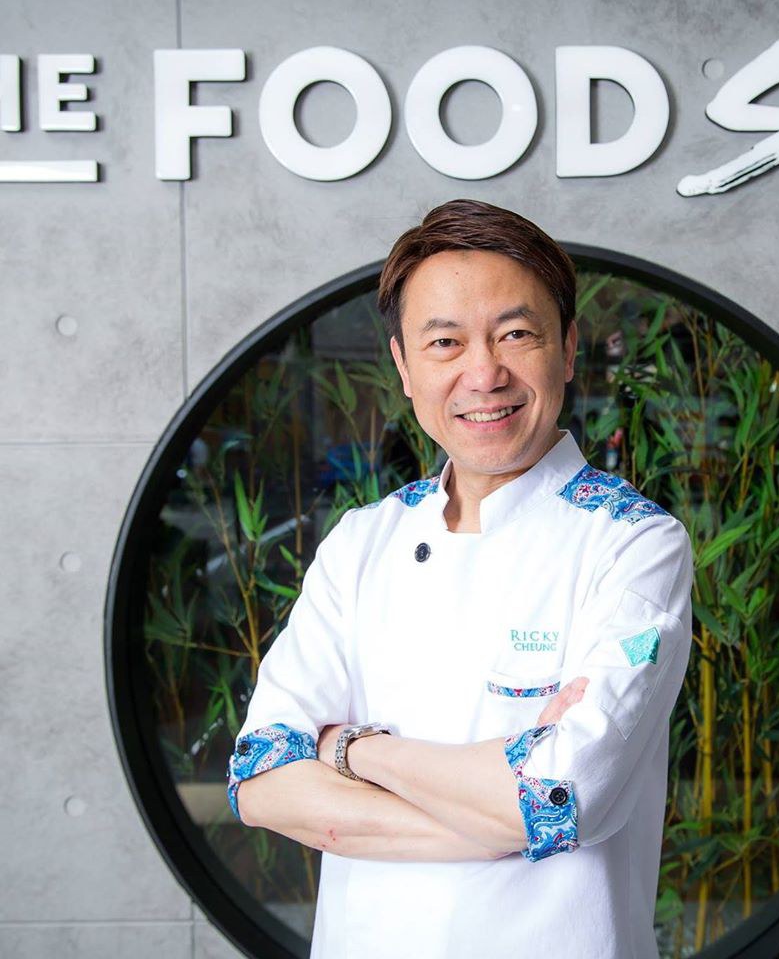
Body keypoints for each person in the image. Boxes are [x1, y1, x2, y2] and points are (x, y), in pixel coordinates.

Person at [227, 199, 694, 959]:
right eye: (445, 342)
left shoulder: (634, 544)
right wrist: (507, 815)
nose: (484, 373)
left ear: (568, 349)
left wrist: (353, 750)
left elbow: (563, 795)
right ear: (405, 367)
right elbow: (260, 782)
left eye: (516, 334)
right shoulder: (362, 543)